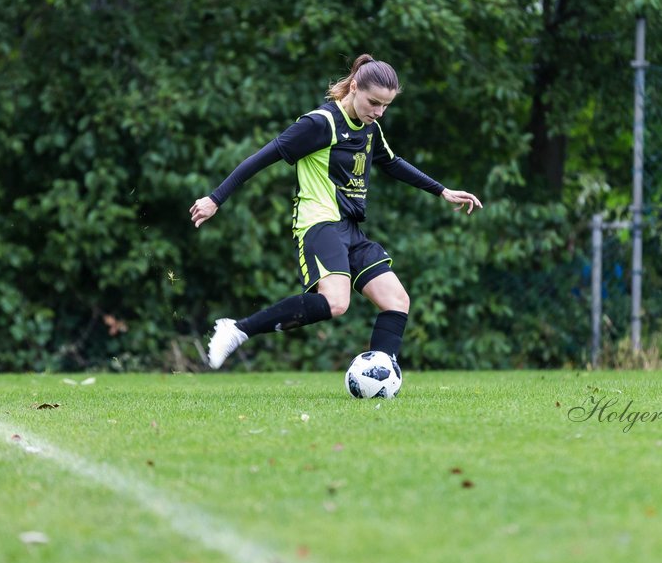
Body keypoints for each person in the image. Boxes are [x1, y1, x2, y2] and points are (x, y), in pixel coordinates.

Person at [190, 54, 483, 371]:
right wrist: (215, 198)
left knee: (397, 301)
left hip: (352, 229)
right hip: (319, 223)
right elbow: (264, 156)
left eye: (385, 106)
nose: (379, 112)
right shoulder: (320, 124)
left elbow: (392, 163)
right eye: (373, 102)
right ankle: (236, 330)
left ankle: (381, 375)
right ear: (354, 87)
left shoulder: (370, 128)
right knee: (336, 302)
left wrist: (442, 190)